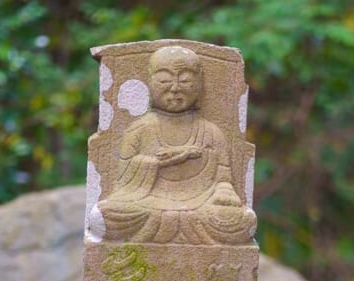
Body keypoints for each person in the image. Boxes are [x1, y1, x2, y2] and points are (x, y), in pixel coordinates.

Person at [90, 45, 256, 244]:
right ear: (150, 83)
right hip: (147, 205)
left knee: (242, 221)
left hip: (200, 207)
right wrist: (155, 162)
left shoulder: (211, 132)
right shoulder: (140, 129)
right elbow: (123, 185)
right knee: (105, 216)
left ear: (200, 84)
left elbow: (223, 179)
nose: (175, 88)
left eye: (185, 80)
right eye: (164, 80)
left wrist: (224, 192)